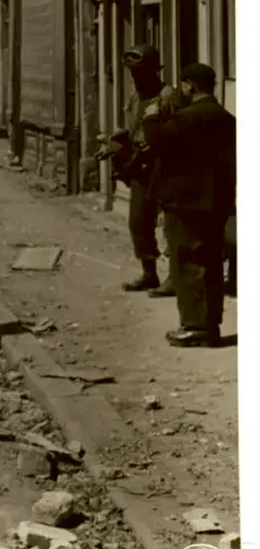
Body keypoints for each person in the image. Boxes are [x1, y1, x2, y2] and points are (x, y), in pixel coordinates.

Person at [142, 63, 234, 347]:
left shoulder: (188, 118)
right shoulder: (227, 118)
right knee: (211, 262)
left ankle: (195, 326)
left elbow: (158, 142)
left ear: (190, 86)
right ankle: (210, 323)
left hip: (186, 203)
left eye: (183, 85)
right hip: (216, 201)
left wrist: (150, 118)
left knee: (187, 262)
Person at [109, 44, 182, 296]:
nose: (135, 78)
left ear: (154, 71)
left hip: (166, 167)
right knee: (138, 222)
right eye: (132, 73)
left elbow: (178, 133)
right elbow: (133, 131)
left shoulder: (168, 96)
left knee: (171, 224)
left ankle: (174, 276)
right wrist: (117, 144)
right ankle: (149, 273)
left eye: (139, 72)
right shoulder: (134, 97)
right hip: (140, 168)